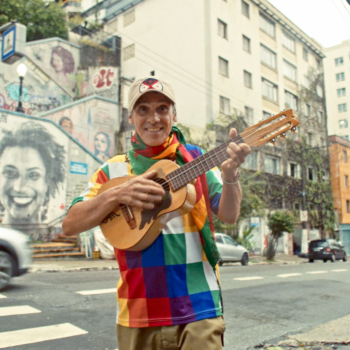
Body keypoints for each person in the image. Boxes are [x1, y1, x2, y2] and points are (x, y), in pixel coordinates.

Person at [62, 77, 251, 350]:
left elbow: (229, 214)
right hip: (137, 311)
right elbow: (70, 223)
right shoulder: (112, 171)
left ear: (174, 115)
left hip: (200, 307)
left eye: (162, 108)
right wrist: (117, 194)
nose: (154, 118)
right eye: (143, 110)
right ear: (131, 117)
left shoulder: (195, 159)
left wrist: (231, 176)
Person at [0, 121, 65, 229]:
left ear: (47, 183)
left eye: (33, 175)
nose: (19, 187)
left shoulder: (56, 239)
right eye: (10, 173)